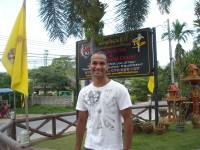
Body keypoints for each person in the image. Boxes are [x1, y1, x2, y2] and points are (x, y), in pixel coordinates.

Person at [76, 51, 133, 150]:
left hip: (113, 147)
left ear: (107, 66)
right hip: (89, 146)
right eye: (94, 63)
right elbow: (81, 121)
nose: (98, 67)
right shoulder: (83, 92)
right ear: (89, 66)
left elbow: (128, 120)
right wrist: (77, 148)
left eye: (102, 63)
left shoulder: (119, 89)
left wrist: (126, 148)